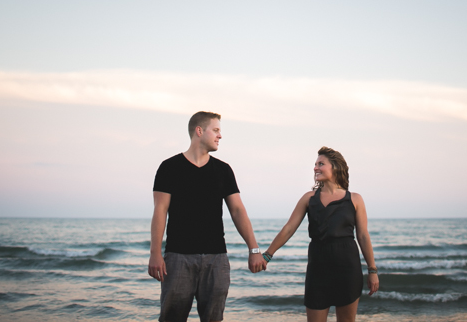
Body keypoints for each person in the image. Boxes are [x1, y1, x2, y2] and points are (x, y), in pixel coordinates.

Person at [148, 111, 266, 322]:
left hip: (216, 259)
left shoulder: (223, 170)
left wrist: (254, 249)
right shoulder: (169, 167)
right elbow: (160, 211)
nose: (220, 136)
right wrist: (155, 253)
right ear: (199, 131)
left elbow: (238, 211)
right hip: (178, 258)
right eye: (216, 130)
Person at [263, 146, 378, 322]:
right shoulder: (309, 198)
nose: (315, 168)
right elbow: (289, 228)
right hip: (318, 270)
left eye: (321, 164)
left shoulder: (355, 199)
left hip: (347, 269)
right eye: (315, 164)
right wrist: (267, 255)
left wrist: (372, 270)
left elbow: (363, 236)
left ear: (335, 167)